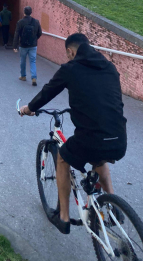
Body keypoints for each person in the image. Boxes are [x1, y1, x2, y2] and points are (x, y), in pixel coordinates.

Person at [19, 33, 127, 235]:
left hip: (91, 139)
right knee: (99, 159)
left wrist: (29, 108)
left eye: (68, 54)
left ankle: (64, 218)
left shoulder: (71, 68)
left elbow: (47, 92)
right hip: (119, 138)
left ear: (70, 51)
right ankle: (114, 208)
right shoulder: (110, 67)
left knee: (62, 157)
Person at [13, 6, 42, 86]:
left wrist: (15, 46)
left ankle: (23, 76)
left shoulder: (20, 22)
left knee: (23, 60)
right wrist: (35, 39)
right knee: (33, 61)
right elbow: (40, 33)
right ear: (31, 12)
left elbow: (17, 34)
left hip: (23, 45)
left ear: (24, 12)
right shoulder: (36, 22)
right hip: (33, 45)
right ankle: (33, 78)